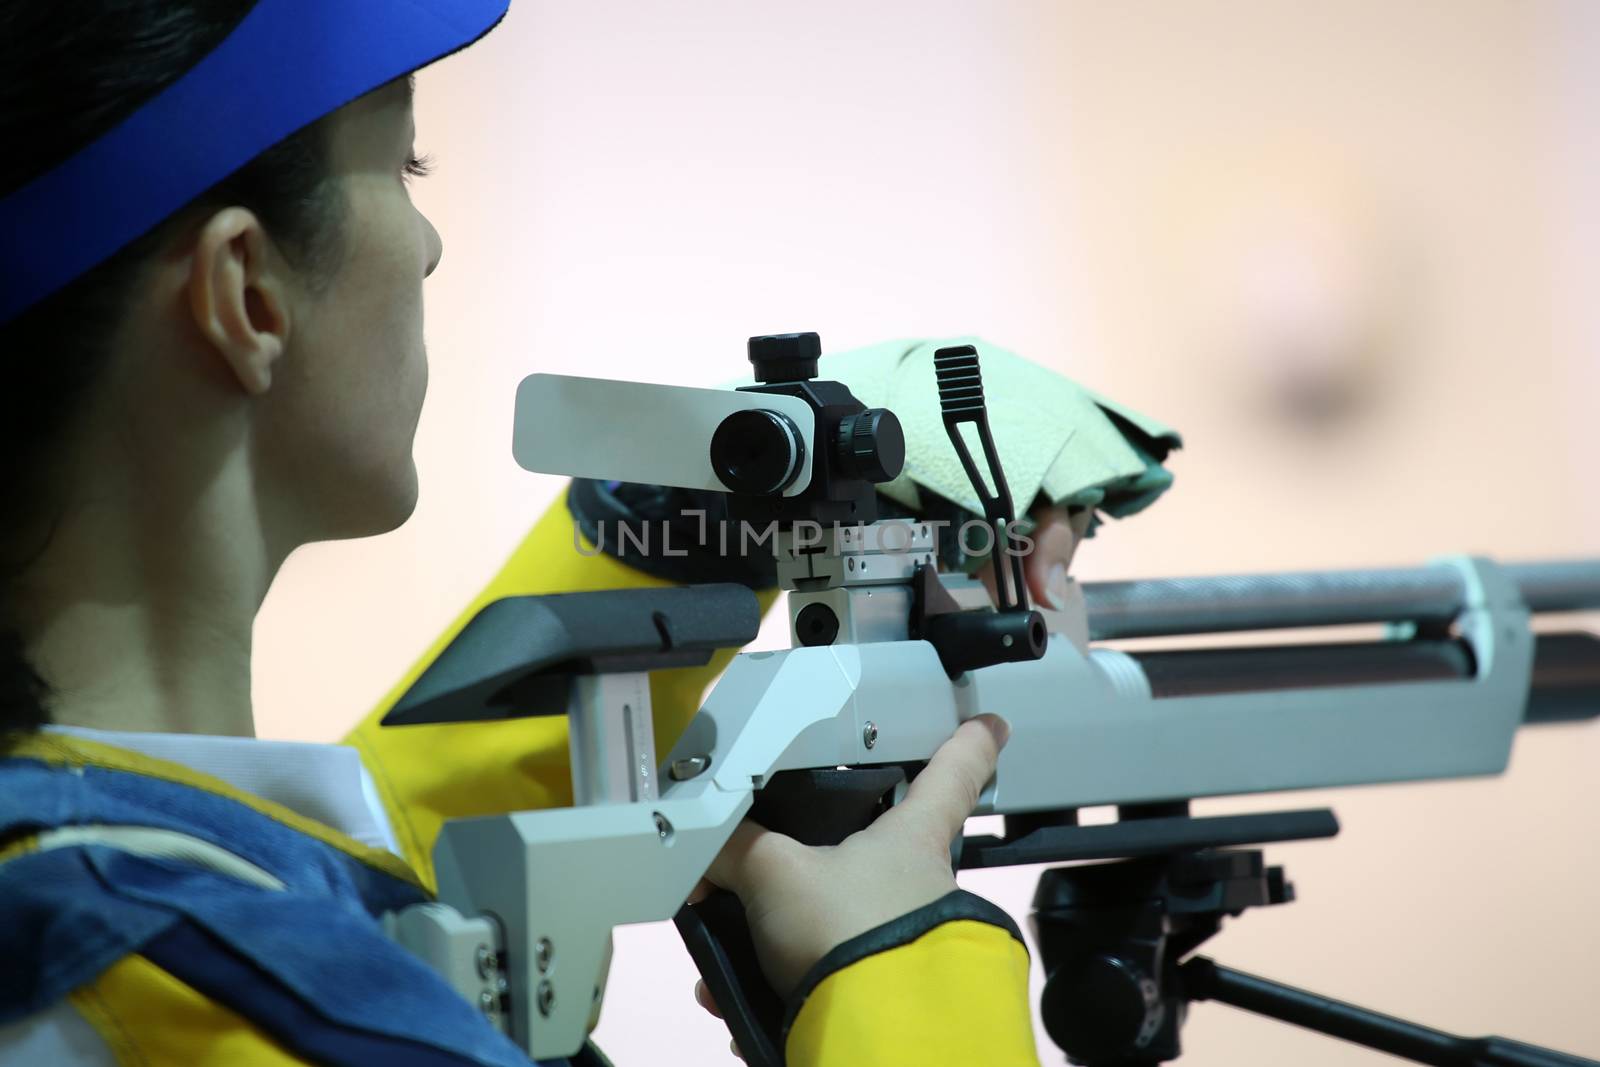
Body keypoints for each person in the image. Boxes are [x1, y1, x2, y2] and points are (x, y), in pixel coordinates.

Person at [0, 2, 1068, 1064]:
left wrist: (653, 544)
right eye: (405, 164)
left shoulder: (116, 890)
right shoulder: (180, 971)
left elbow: (317, 870)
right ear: (248, 294)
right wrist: (904, 982)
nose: (427, 244)